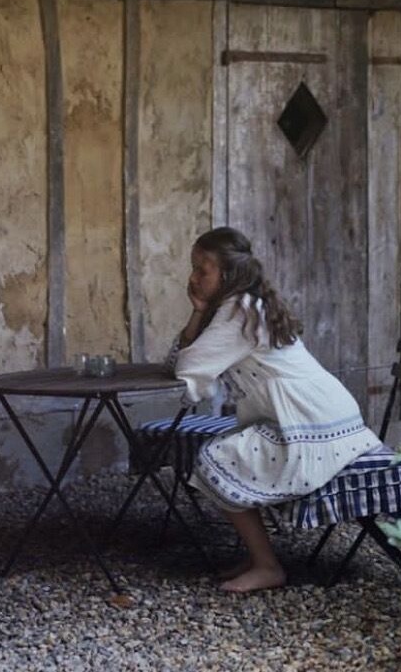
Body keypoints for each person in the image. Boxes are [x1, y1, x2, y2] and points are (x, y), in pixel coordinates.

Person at [165, 227, 380, 593]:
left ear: (228, 275)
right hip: (318, 414)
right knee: (226, 446)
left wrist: (197, 320)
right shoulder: (240, 306)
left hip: (312, 422)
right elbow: (181, 361)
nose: (193, 278)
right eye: (194, 268)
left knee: (218, 456)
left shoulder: (239, 311)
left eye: (203, 270)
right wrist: (197, 312)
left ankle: (268, 566)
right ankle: (257, 557)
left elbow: (185, 367)